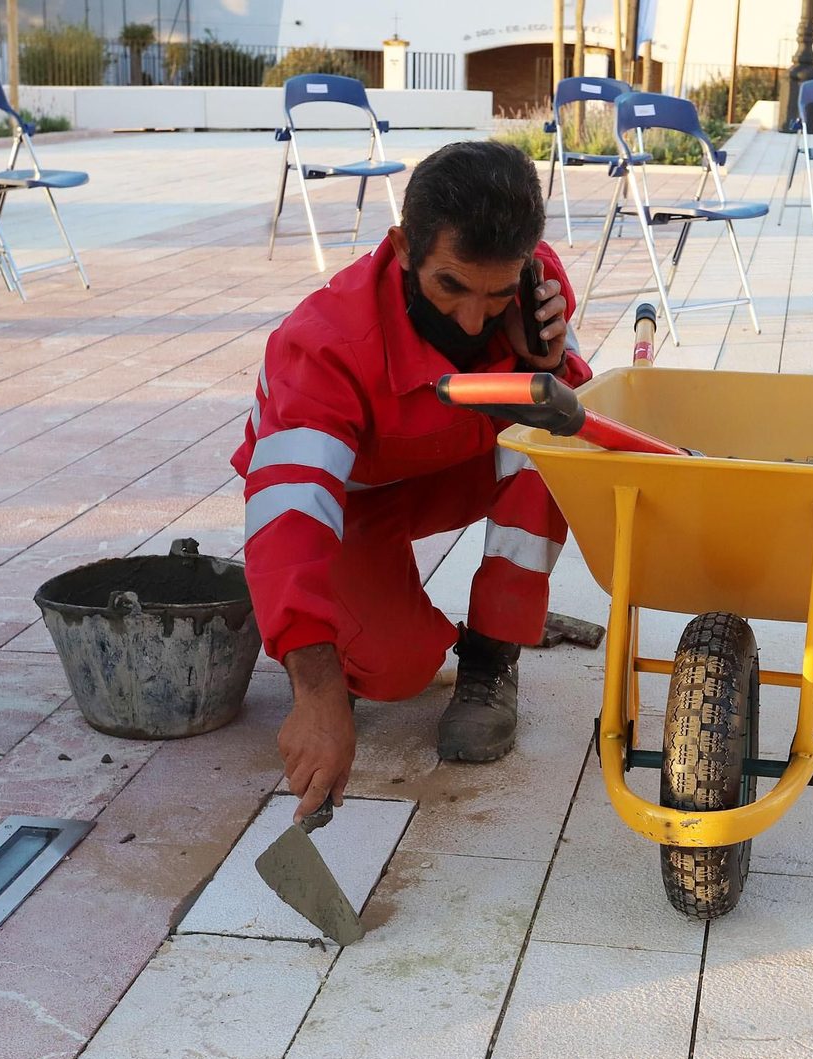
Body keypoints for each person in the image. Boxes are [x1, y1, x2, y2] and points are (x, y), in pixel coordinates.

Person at [232, 140, 591, 821]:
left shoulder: (535, 287)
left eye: (495, 293)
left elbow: (582, 423)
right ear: (402, 248)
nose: (472, 319)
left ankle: (491, 655)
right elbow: (290, 509)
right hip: (347, 503)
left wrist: (544, 362)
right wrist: (316, 693)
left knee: (548, 441)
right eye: (450, 285)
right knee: (398, 671)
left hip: (446, 471)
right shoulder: (325, 343)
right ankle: (286, 605)